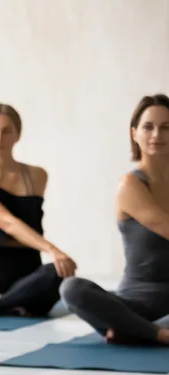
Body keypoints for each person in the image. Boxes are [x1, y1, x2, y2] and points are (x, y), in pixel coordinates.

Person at [59, 94, 169, 345]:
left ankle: (131, 331)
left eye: (166, 127)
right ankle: (157, 334)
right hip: (134, 303)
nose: (157, 135)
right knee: (72, 289)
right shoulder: (130, 185)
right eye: (148, 127)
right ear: (134, 133)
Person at [0, 103, 74, 317]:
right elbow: (7, 222)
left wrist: (56, 258)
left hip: (26, 278)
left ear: (17, 134)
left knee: (59, 272)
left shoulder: (38, 176)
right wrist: (53, 249)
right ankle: (2, 304)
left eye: (6, 130)